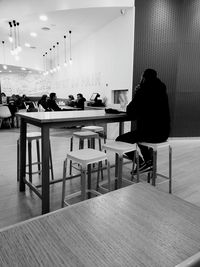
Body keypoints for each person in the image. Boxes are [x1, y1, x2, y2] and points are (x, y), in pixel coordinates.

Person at [116, 68, 170, 172]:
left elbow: (130, 111)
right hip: (164, 133)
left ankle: (141, 163)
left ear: (143, 78)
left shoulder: (143, 90)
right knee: (139, 137)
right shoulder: (162, 90)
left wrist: (137, 93)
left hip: (150, 134)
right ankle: (149, 162)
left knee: (120, 139)